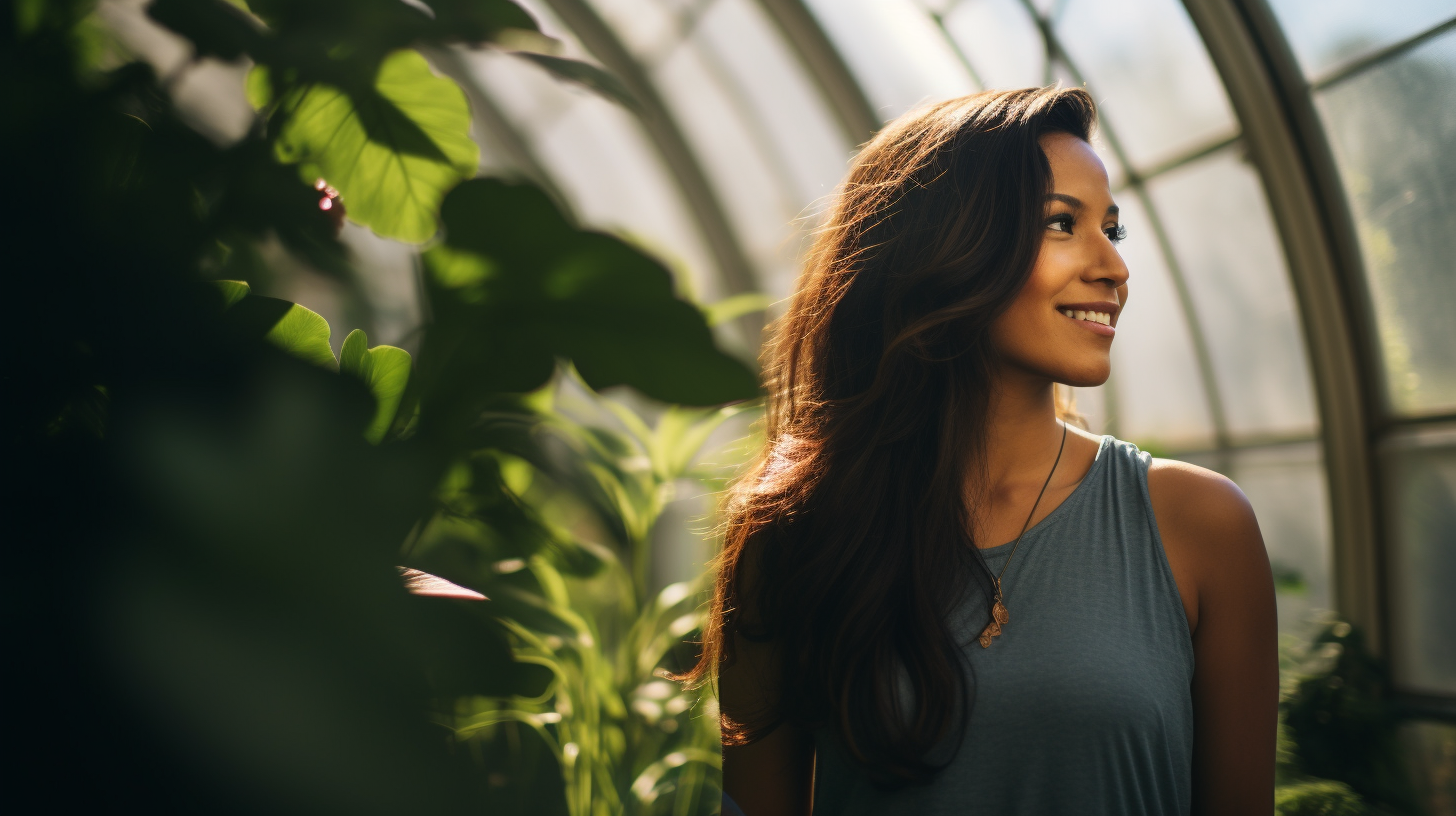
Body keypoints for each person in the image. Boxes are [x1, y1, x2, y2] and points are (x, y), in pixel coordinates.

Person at [679, 87, 1278, 815]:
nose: (1114, 270)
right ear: (947, 245)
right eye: (1062, 224)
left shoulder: (1201, 526)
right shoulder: (795, 533)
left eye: (1111, 232)